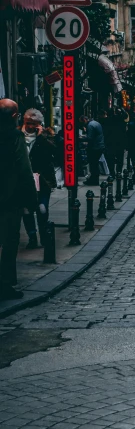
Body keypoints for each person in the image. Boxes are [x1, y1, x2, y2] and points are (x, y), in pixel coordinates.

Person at [0, 99, 37, 300]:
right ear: (15, 116)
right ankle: (5, 284)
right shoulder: (15, 136)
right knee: (9, 241)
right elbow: (24, 168)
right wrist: (32, 199)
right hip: (9, 197)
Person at [20, 109, 56, 249]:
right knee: (26, 210)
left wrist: (42, 137)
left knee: (42, 209)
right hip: (24, 179)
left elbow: (54, 151)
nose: (30, 126)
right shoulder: (18, 134)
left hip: (42, 179)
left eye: (34, 124)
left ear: (39, 124)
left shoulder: (46, 135)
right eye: (28, 123)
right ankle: (32, 237)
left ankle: (44, 235)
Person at [79, 114, 105, 185]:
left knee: (93, 164)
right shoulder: (96, 123)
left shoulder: (90, 125)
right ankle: (94, 179)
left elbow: (90, 138)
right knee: (95, 164)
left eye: (82, 122)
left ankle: (93, 180)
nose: (82, 125)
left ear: (84, 120)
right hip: (99, 146)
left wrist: (79, 139)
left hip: (95, 147)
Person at [104, 108, 127, 176]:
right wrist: (122, 110)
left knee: (110, 158)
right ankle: (119, 172)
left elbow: (105, 132)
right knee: (120, 158)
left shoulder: (107, 120)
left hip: (110, 142)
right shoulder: (120, 118)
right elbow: (125, 115)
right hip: (120, 142)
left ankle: (112, 172)